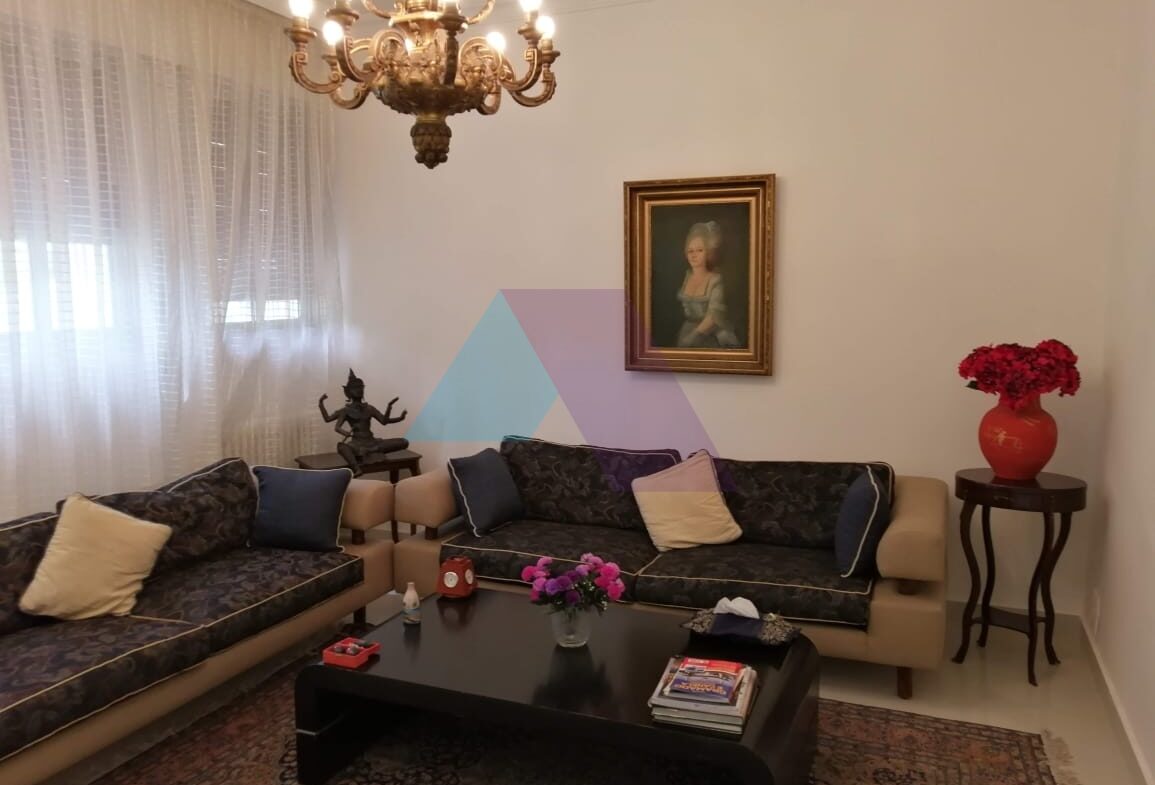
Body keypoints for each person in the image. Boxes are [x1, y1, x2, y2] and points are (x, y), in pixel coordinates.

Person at [318, 369, 409, 476]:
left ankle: (370, 450)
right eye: (355, 388)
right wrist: (321, 404)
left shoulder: (369, 408)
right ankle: (357, 468)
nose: (359, 390)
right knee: (342, 447)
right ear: (348, 392)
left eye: (361, 387)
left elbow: (384, 421)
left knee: (404, 442)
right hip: (357, 444)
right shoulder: (346, 410)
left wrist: (393, 410)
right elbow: (328, 419)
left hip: (373, 442)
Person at [675, 221, 741, 348]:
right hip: (687, 330)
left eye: (699, 250)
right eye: (690, 251)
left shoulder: (715, 280)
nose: (694, 255)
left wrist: (693, 336)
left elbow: (713, 317)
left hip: (710, 334)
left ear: (708, 252)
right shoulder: (687, 276)